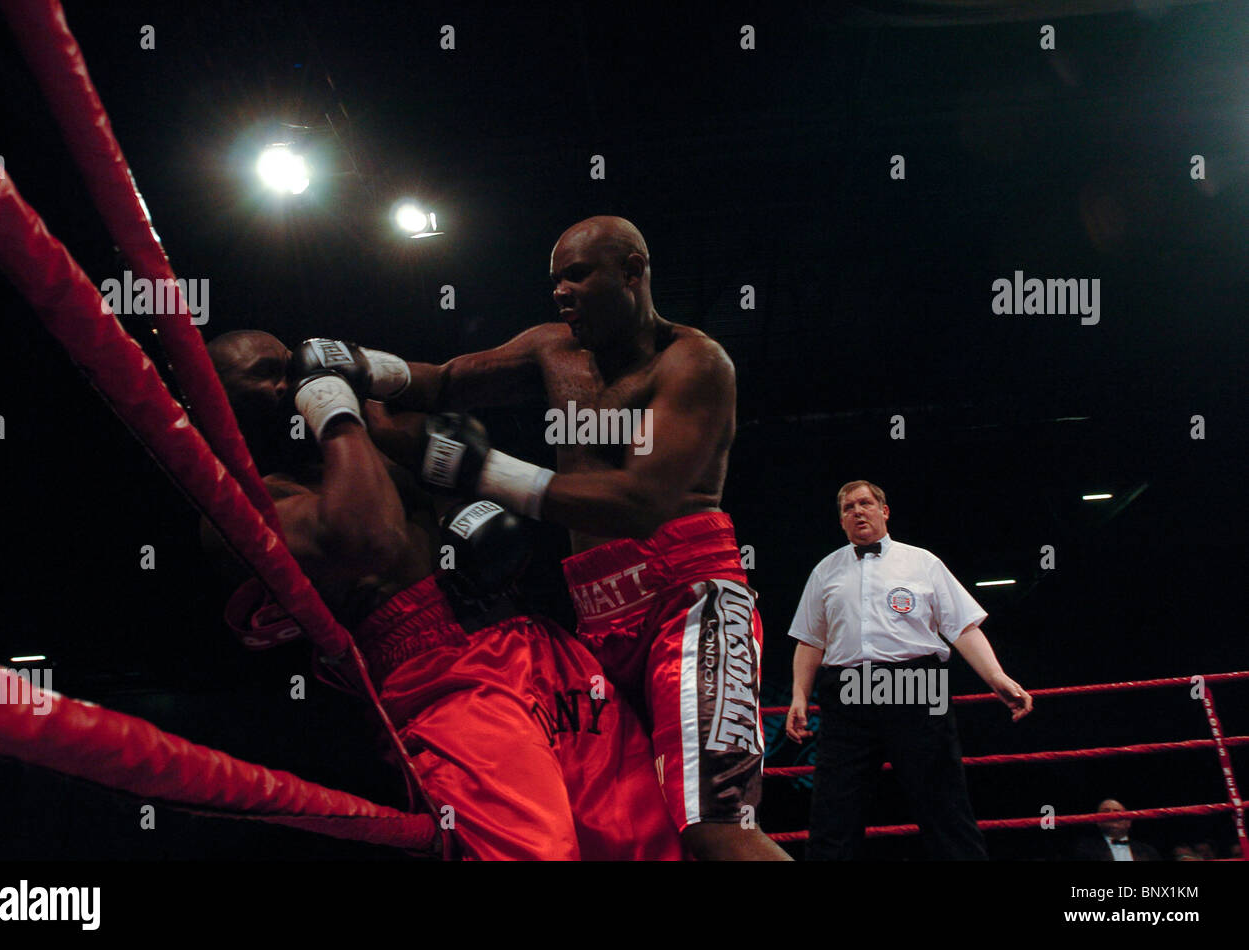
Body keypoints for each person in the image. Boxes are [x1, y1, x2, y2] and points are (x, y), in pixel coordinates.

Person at [315, 216, 788, 859]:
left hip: (691, 601)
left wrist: (482, 469)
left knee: (717, 831)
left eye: (577, 275)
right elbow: (446, 380)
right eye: (554, 279)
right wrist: (359, 366)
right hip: (597, 616)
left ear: (632, 271)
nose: (560, 292)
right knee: (637, 830)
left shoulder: (694, 362)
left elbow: (640, 502)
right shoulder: (553, 348)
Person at [204, 330, 683, 861]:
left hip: (535, 639)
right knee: (535, 852)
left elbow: (448, 433)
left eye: (288, 367)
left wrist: (366, 385)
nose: (286, 383)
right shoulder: (246, 507)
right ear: (214, 403)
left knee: (645, 842)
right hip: (438, 674)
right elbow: (371, 540)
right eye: (263, 376)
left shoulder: (366, 438)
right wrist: (333, 410)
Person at [784, 479, 1033, 860]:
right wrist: (799, 696)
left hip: (917, 684)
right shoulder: (825, 570)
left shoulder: (922, 562)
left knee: (943, 804)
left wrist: (996, 677)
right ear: (841, 521)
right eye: (848, 508)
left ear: (884, 511)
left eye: (865, 503)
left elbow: (962, 627)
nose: (857, 512)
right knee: (834, 810)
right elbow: (810, 641)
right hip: (849, 691)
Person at [1072, 799, 1160, 861]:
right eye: (1106, 811)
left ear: (1128, 822)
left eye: (1117, 812)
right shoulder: (1084, 849)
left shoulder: (1147, 851)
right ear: (1097, 821)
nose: (1112, 815)